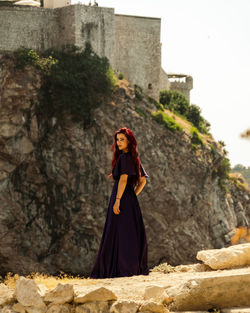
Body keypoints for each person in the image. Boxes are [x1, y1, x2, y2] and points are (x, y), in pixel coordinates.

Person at [89, 127, 149, 278]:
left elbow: (123, 179)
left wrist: (117, 200)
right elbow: (142, 181)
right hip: (129, 199)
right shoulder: (134, 158)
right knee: (128, 233)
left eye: (122, 139)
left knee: (118, 233)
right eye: (117, 139)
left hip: (121, 197)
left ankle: (120, 269)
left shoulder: (124, 158)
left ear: (129, 141)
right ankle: (130, 268)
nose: (118, 142)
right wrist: (132, 195)